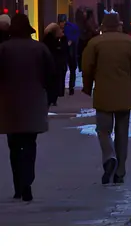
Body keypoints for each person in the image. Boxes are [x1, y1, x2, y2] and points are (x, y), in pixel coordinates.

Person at [82, 10, 131, 185]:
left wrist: (88, 87)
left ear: (103, 26)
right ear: (119, 25)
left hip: (103, 93)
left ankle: (109, 156)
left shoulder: (95, 43)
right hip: (124, 94)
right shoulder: (129, 42)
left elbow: (87, 68)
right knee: (122, 132)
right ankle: (120, 172)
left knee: (103, 130)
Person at [0, 12, 56, 201]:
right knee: (30, 144)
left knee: (14, 146)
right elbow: (51, 76)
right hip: (33, 103)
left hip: (9, 104)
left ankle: (19, 185)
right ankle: (27, 182)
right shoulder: (39, 49)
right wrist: (49, 97)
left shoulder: (3, 49)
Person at [43, 23, 69, 104]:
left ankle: (52, 98)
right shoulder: (54, 41)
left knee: (52, 82)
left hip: (51, 65)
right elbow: (63, 50)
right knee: (55, 82)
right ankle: (53, 98)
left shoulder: (47, 40)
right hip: (56, 64)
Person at [60, 15, 79, 94]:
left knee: (64, 69)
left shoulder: (62, 28)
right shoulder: (73, 26)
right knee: (72, 69)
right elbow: (77, 34)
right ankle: (71, 87)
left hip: (65, 51)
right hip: (72, 50)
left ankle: (62, 88)